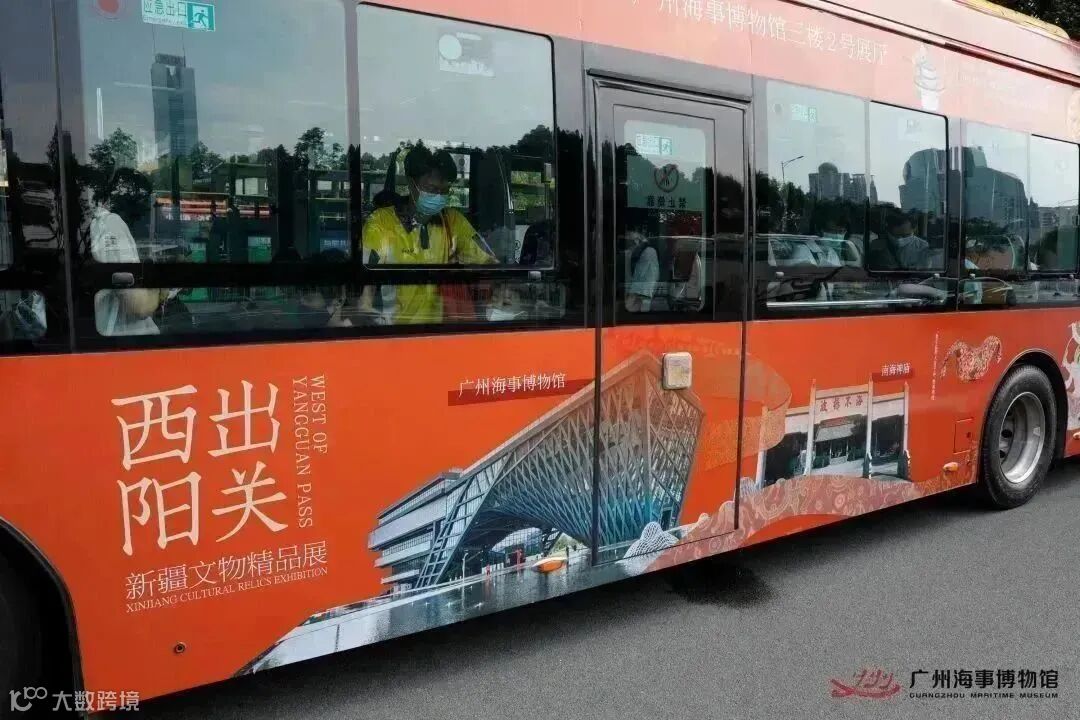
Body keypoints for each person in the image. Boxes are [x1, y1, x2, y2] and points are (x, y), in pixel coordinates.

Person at [359, 144, 496, 324]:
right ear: (411, 183)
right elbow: (364, 291)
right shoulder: (380, 224)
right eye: (431, 189)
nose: (438, 196)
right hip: (395, 331)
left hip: (441, 332)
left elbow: (489, 264)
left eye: (444, 191)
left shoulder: (453, 222)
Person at [89, 167, 162, 336]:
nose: (146, 210)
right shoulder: (112, 225)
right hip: (126, 338)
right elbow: (139, 306)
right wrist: (161, 287)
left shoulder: (100, 223)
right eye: (143, 201)